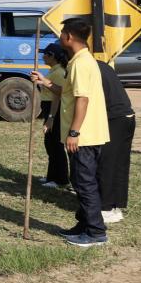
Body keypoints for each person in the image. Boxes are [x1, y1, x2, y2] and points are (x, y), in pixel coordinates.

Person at [55, 18, 110, 248]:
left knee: (84, 183)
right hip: (91, 134)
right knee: (82, 182)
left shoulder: (80, 64)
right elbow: (70, 93)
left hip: (83, 136)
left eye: (61, 33)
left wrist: (74, 132)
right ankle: (84, 224)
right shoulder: (83, 60)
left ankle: (96, 232)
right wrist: (46, 84)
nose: (59, 38)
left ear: (68, 36)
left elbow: (82, 99)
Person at [98, 59, 136, 224]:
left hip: (114, 118)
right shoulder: (102, 64)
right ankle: (116, 206)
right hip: (127, 116)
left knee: (106, 163)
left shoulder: (84, 67)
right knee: (120, 163)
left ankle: (106, 208)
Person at [32, 43, 70, 189]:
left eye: (45, 54)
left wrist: (51, 117)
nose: (43, 57)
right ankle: (52, 176)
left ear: (52, 56)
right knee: (50, 143)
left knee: (55, 144)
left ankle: (61, 179)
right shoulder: (53, 70)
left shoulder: (59, 72)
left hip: (55, 109)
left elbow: (58, 96)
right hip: (49, 107)